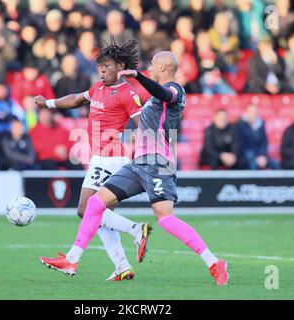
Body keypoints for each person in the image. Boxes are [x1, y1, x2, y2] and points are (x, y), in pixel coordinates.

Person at [39, 51, 229, 286]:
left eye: (153, 64)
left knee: (165, 219)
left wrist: (137, 75)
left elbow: (163, 93)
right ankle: (72, 259)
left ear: (163, 68)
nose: (149, 67)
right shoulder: (149, 95)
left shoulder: (175, 90)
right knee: (95, 204)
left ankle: (213, 262)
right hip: (138, 162)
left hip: (158, 162)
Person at [34, 39, 147, 282]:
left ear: (120, 66)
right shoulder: (98, 88)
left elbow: (142, 125)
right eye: (100, 65)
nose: (102, 69)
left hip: (113, 158)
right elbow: (76, 99)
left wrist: (145, 154)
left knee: (86, 210)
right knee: (95, 216)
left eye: (106, 65)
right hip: (99, 158)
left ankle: (133, 230)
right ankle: (122, 266)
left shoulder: (128, 93)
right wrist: (49, 103)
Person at [237, 104, 279, 170]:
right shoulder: (240, 125)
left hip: (260, 156)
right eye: (251, 113)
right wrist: (256, 157)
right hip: (246, 156)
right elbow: (242, 146)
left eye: (255, 113)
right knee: (252, 164)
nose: (253, 115)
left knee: (276, 164)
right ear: (247, 113)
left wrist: (262, 155)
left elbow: (264, 143)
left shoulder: (261, 125)